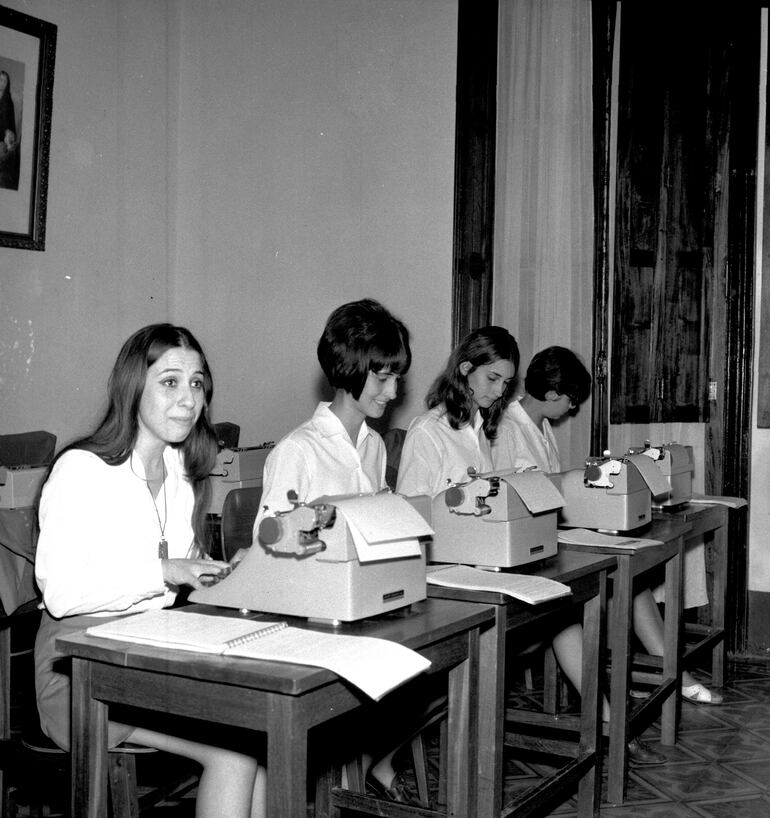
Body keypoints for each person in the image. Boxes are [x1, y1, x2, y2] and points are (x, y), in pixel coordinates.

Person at [34, 324, 266, 818]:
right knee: (237, 754)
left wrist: (227, 571)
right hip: (78, 669)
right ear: (133, 386)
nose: (189, 399)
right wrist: (164, 570)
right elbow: (61, 594)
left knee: (262, 737)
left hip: (147, 654)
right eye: (170, 382)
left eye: (198, 383)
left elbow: (183, 571)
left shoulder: (180, 471)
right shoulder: (81, 470)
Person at [494, 346, 720, 721]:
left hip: (550, 534)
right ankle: (651, 680)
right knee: (619, 577)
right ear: (551, 394)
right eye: (571, 399)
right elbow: (515, 494)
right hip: (524, 544)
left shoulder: (541, 426)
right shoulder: (506, 428)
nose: (572, 408)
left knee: (635, 575)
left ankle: (666, 671)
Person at [253, 298, 422, 803]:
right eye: (382, 378)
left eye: (397, 379)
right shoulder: (298, 450)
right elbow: (268, 550)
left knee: (428, 672)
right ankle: (342, 789)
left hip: (357, 606)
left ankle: (356, 781)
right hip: (308, 616)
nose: (393, 393)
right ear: (347, 369)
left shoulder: (372, 445)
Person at [396, 325, 519, 499]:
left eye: (506, 382)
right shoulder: (428, 430)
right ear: (466, 368)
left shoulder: (480, 429)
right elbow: (412, 508)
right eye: (492, 378)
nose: (499, 391)